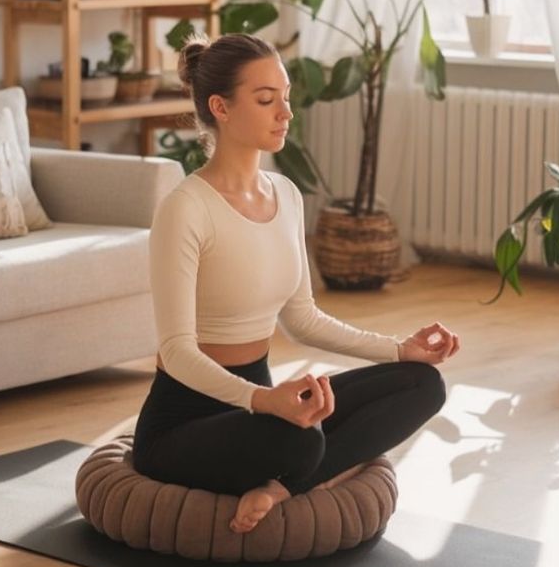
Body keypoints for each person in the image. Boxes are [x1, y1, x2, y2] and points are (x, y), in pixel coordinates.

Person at [132, 33, 460, 535]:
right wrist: (265, 401)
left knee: (422, 383)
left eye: (285, 98)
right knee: (303, 442)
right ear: (220, 107)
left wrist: (399, 349)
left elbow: (302, 318)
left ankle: (281, 489)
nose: (285, 112)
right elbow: (176, 352)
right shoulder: (185, 209)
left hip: (260, 410)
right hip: (185, 422)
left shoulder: (285, 193)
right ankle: (301, 471)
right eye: (266, 101)